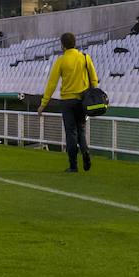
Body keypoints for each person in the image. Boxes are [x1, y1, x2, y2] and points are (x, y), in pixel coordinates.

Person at [37, 33, 99, 173]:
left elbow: (52, 84)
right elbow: (94, 79)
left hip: (67, 100)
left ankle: (73, 165)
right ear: (75, 43)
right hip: (82, 100)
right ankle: (85, 152)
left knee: (71, 132)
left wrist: (43, 103)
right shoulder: (84, 57)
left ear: (62, 45)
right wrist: (94, 96)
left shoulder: (61, 60)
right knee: (81, 129)